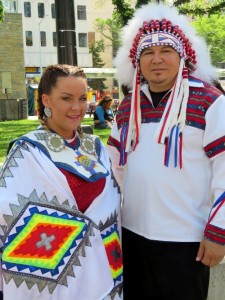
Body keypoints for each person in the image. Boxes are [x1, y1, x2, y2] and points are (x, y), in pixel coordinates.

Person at [107, 3, 225, 300]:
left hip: (185, 240)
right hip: (131, 235)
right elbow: (113, 170)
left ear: (182, 55)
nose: (156, 60)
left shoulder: (210, 101)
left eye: (166, 51)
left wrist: (218, 232)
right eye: (147, 52)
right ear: (137, 60)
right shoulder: (127, 106)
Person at [0, 64, 123, 300]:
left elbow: (112, 206)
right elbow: (9, 212)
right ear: (46, 100)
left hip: (104, 269)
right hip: (51, 278)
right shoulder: (27, 150)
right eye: (66, 98)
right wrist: (80, 232)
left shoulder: (95, 148)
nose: (76, 107)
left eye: (82, 98)